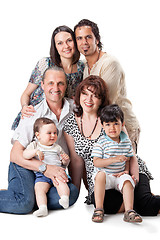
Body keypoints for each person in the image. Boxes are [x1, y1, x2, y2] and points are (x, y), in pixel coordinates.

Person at [64, 75, 160, 216]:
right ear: (79, 95)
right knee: (106, 206)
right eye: (85, 94)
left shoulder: (111, 119)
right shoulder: (70, 123)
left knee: (145, 204)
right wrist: (76, 192)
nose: (88, 100)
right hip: (102, 178)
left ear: (102, 99)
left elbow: (130, 153)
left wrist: (132, 177)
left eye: (95, 96)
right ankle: (133, 202)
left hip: (126, 171)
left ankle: (138, 200)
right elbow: (77, 161)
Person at [0, 66, 78, 214]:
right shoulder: (33, 114)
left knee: (71, 193)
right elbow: (15, 155)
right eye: (50, 83)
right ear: (42, 85)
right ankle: (24, 198)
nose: (56, 88)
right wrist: (45, 168)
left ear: (66, 85)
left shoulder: (75, 109)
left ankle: (31, 196)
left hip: (52, 168)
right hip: (27, 165)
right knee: (23, 204)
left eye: (60, 83)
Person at [74, 19, 139, 153]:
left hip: (121, 126)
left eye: (88, 37)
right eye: (79, 38)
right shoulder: (84, 65)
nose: (84, 42)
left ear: (97, 39)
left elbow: (103, 100)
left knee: (124, 170)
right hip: (102, 126)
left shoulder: (110, 63)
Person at [11, 25, 84, 130]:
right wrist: (25, 107)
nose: (66, 46)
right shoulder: (45, 63)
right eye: (60, 43)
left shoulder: (81, 67)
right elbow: (26, 93)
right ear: (55, 47)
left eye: (69, 41)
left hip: (61, 117)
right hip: (37, 115)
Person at [91, 104, 142, 223]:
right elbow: (96, 162)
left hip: (119, 175)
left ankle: (129, 211)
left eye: (116, 124)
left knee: (128, 180)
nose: (112, 128)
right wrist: (114, 159)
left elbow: (128, 158)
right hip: (106, 177)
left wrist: (126, 170)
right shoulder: (101, 143)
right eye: (108, 124)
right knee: (100, 175)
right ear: (102, 126)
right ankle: (99, 209)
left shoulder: (126, 142)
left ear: (122, 124)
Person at [23, 117, 70, 217]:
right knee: (39, 188)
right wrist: (35, 152)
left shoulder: (57, 147)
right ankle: (43, 208)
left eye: (55, 133)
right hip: (42, 175)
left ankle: (64, 198)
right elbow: (25, 155)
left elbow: (63, 164)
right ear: (38, 135)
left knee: (62, 183)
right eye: (49, 133)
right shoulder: (35, 145)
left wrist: (65, 160)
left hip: (57, 172)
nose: (53, 135)